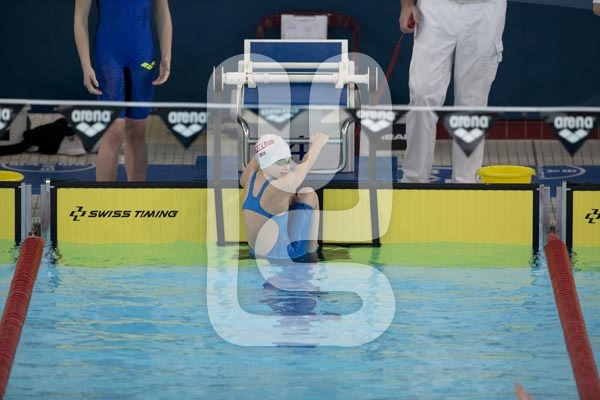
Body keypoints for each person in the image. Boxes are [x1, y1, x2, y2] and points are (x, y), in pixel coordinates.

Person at [399, 0, 506, 183]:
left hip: (485, 10)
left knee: (471, 103)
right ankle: (414, 180)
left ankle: (466, 184)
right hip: (435, 8)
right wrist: (407, 5)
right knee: (422, 94)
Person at [74, 0, 172, 181]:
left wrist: (167, 55)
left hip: (142, 55)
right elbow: (80, 18)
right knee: (113, 130)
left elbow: (162, 10)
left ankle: (136, 194)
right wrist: (86, 66)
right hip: (108, 55)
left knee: (138, 129)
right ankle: (105, 197)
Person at [240, 133, 329, 263]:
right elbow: (306, 163)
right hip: (285, 257)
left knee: (289, 197)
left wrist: (271, 143)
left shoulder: (248, 177)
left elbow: (259, 155)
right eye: (281, 162)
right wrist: (318, 142)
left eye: (288, 160)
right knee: (308, 193)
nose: (286, 167)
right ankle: (312, 252)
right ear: (266, 162)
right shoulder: (281, 184)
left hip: (255, 255)